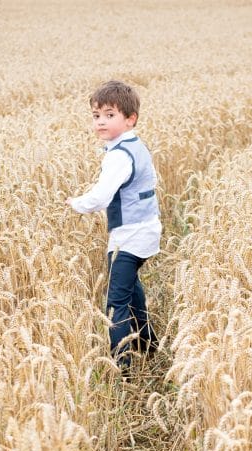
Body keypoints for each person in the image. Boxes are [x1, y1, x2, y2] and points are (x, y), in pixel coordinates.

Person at [66, 80, 161, 371]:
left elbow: (102, 196)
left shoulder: (118, 156)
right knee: (131, 288)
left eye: (110, 115)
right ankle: (149, 344)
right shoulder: (133, 145)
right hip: (146, 232)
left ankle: (123, 369)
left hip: (129, 237)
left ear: (130, 119)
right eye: (96, 116)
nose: (101, 122)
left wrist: (75, 204)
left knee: (116, 303)